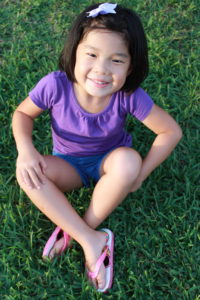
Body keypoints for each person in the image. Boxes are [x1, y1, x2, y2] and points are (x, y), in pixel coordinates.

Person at [12, 2, 182, 293]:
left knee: (129, 162)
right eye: (91, 54)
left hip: (109, 165)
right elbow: (22, 114)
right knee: (28, 173)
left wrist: (141, 174)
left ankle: (78, 229)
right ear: (74, 51)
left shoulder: (128, 95)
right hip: (67, 166)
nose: (101, 70)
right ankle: (91, 239)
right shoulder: (56, 84)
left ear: (131, 66)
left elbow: (170, 131)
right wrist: (25, 150)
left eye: (117, 60)